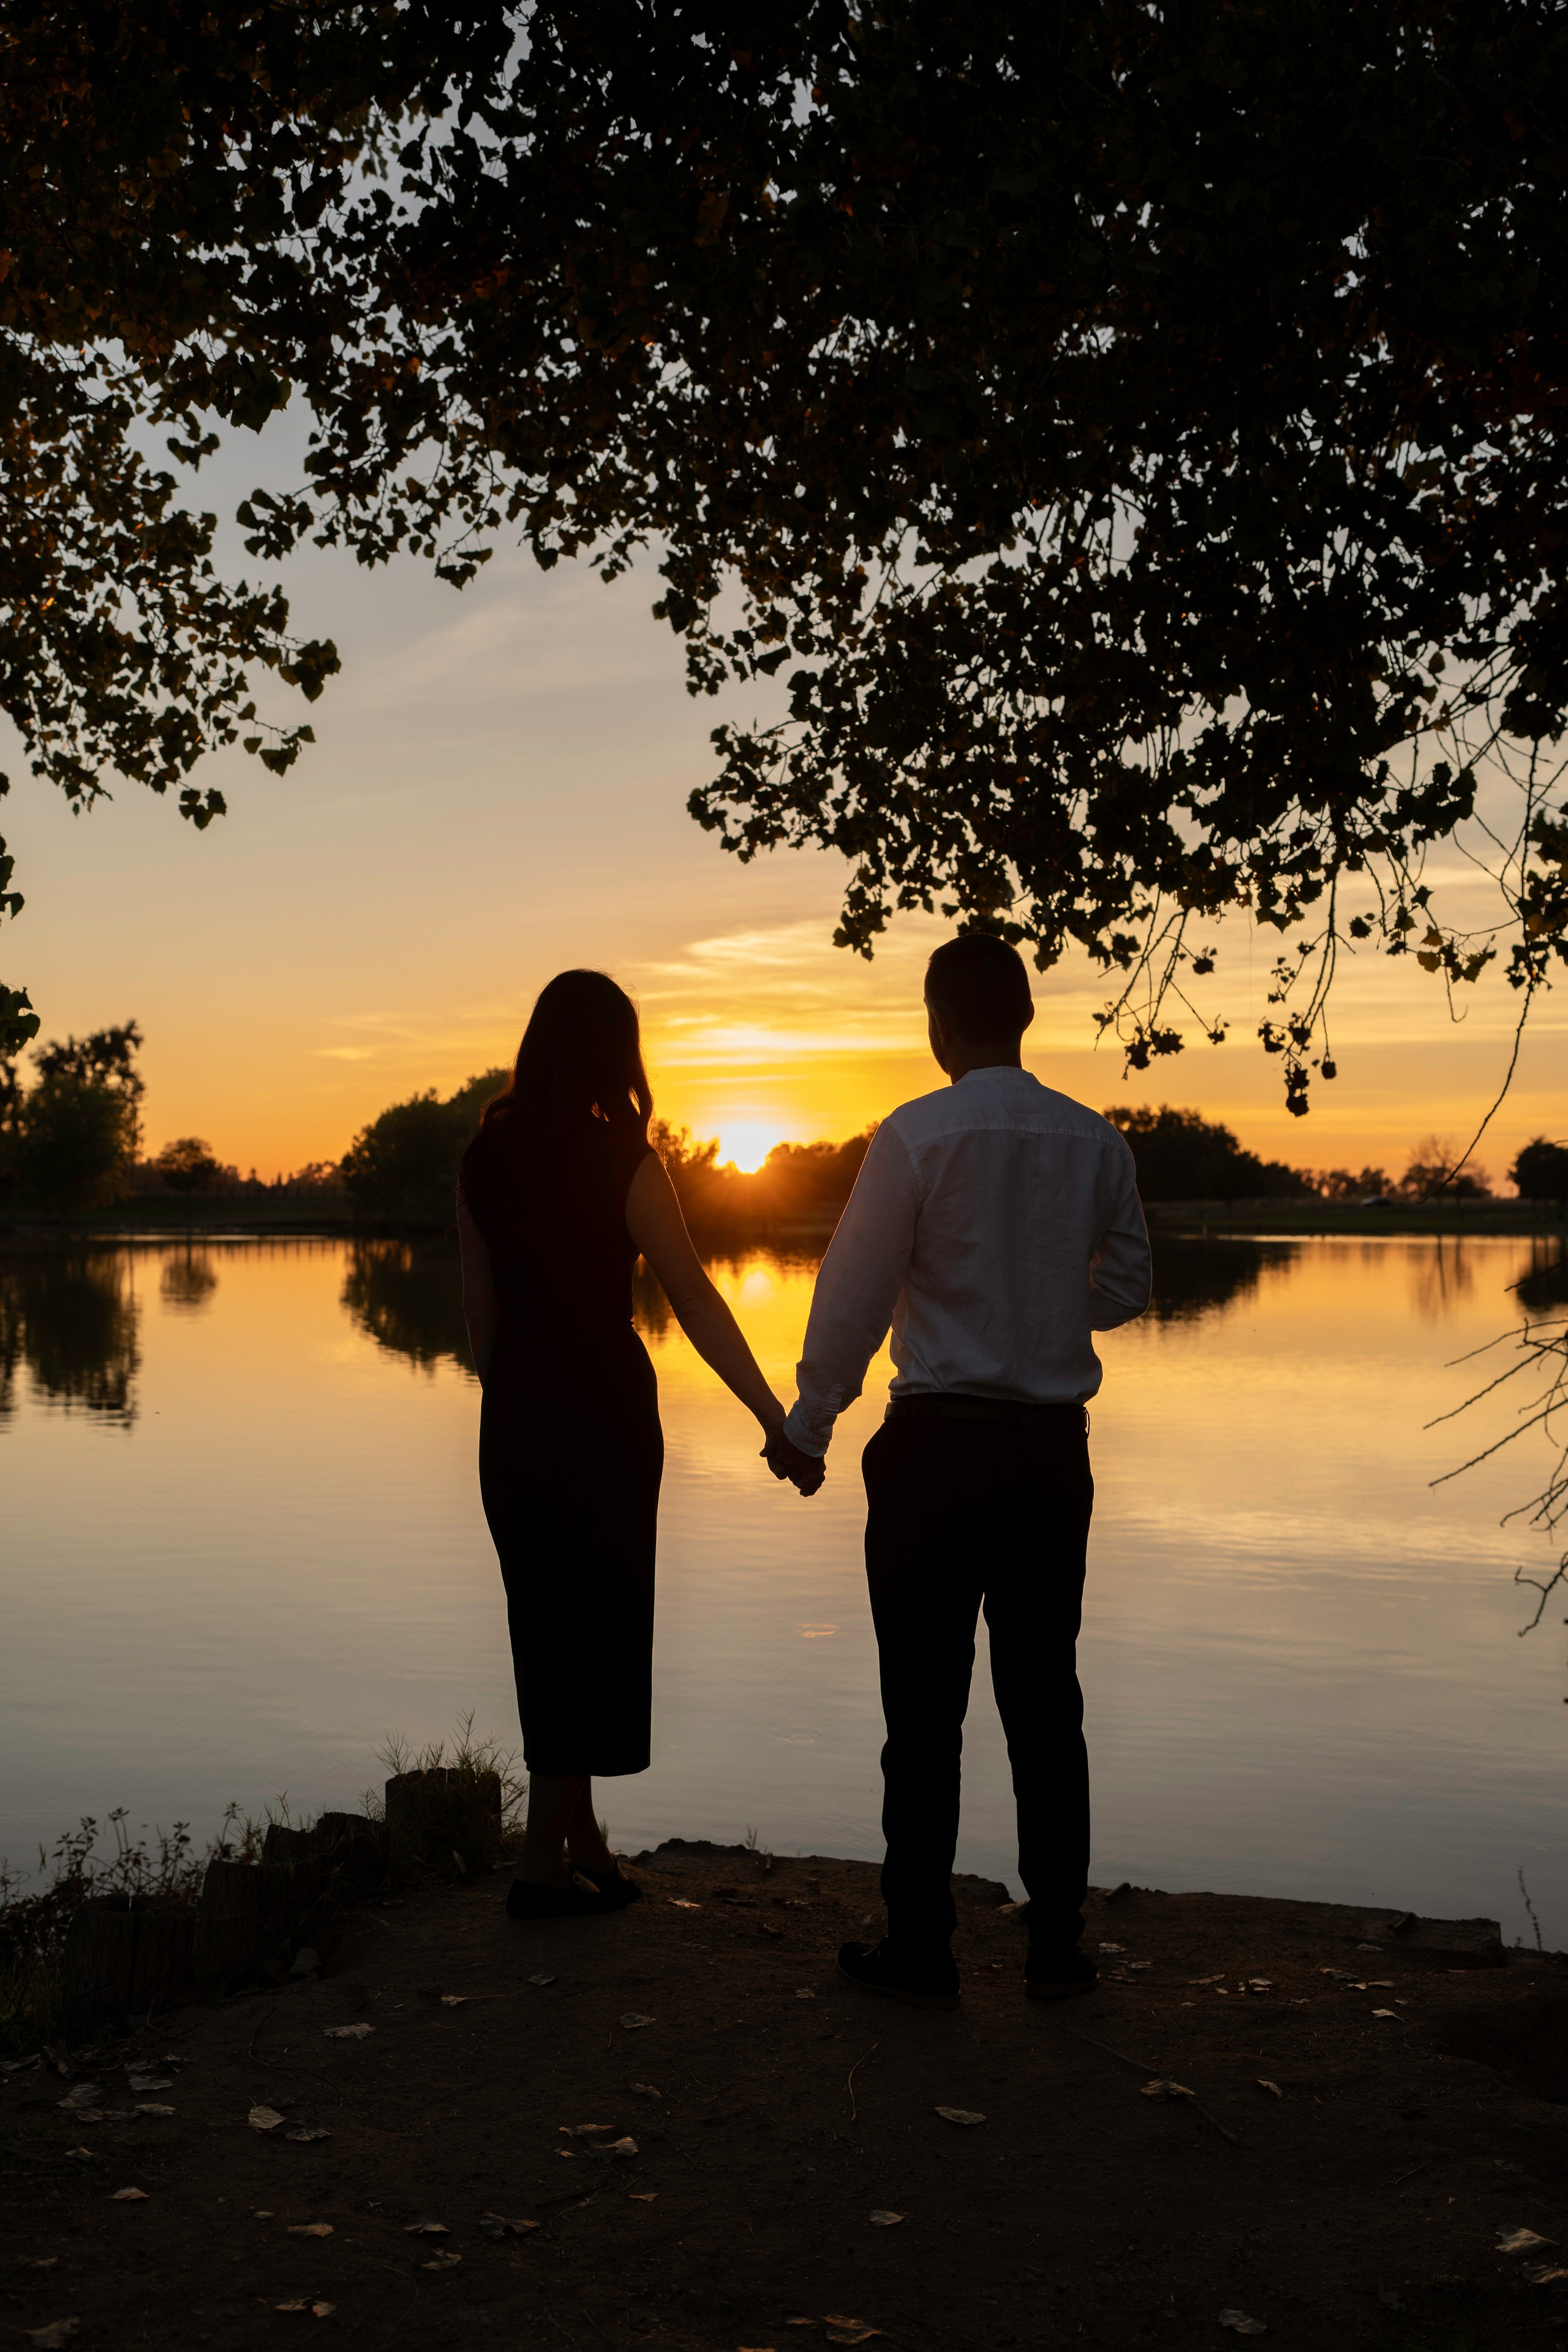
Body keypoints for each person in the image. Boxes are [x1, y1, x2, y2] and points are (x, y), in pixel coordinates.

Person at [764, 935, 1151, 2008]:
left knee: (924, 1711)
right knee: (1045, 1702)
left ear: (937, 1024)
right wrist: (1042, 1307)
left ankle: (922, 1949)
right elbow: (1128, 1287)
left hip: (935, 1452)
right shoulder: (1096, 1142)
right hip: (1046, 1459)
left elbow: (853, 1295)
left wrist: (810, 1425)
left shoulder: (914, 1136)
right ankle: (1057, 1949)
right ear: (1024, 1017)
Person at [458, 970, 792, 1920]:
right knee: (590, 1627)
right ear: (617, 1055)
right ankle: (537, 1870)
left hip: (516, 1408)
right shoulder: (624, 1161)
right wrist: (774, 1419)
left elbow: (480, 1315)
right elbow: (693, 1298)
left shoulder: (482, 1160)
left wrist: (513, 1400)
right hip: (602, 1409)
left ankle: (585, 1844)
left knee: (547, 1623)